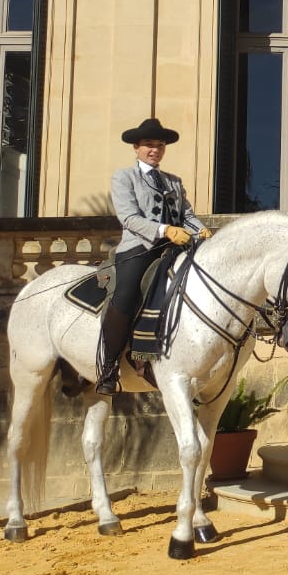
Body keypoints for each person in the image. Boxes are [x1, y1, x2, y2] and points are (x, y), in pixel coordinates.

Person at [96, 117, 209, 395]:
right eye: (149, 145)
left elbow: (187, 215)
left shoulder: (173, 181)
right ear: (136, 147)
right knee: (127, 293)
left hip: (176, 248)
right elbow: (129, 218)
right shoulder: (124, 177)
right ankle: (108, 367)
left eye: (159, 145)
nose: (155, 150)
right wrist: (166, 230)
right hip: (140, 248)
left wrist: (201, 230)